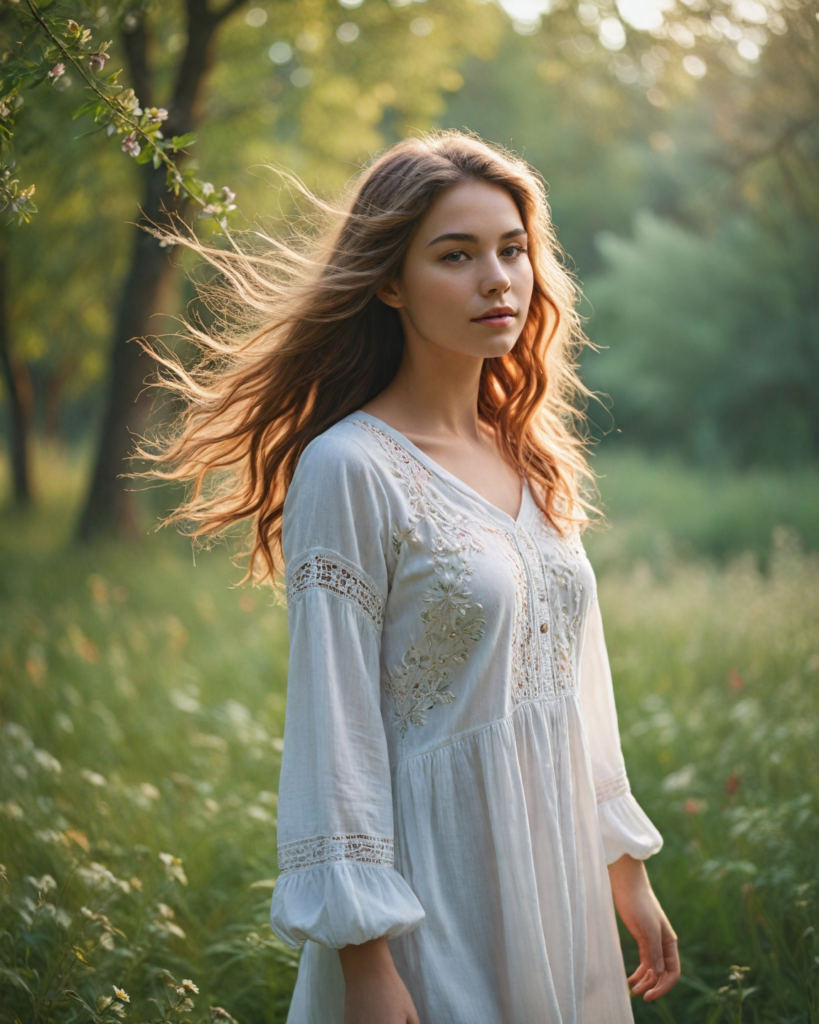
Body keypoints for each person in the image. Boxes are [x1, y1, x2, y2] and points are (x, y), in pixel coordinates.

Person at [139, 130, 680, 1024]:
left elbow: (578, 685)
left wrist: (625, 867)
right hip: (437, 891)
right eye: (455, 255)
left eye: (512, 251)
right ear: (389, 280)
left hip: (559, 877)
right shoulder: (349, 468)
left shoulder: (532, 458)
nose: (496, 279)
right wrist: (363, 959)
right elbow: (333, 722)